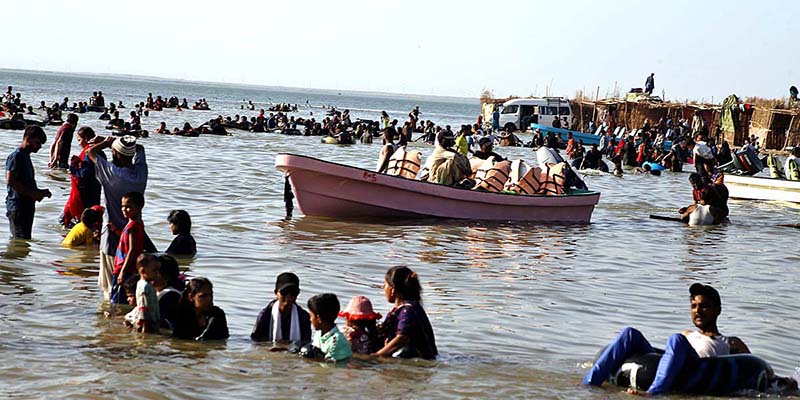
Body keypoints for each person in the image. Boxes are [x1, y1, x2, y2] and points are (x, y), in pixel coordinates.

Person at [583, 283, 750, 395]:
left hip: (696, 368)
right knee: (629, 333)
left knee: (676, 339)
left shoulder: (730, 342)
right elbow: (663, 358)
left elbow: (753, 368)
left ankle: (653, 394)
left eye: (704, 306)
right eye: (694, 306)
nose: (697, 311)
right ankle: (590, 382)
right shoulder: (687, 334)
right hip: (674, 365)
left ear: (717, 310)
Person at [87, 135, 148, 302]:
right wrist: (123, 144)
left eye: (114, 151)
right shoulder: (140, 174)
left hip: (113, 237)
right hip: (133, 236)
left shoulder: (113, 173)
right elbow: (140, 149)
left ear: (117, 155)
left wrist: (107, 142)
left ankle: (111, 321)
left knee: (110, 287)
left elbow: (90, 151)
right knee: (128, 286)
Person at [374, 266, 437, 360]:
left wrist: (376, 356)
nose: (383, 288)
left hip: (419, 360)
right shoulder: (404, 309)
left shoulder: (408, 310)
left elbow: (402, 338)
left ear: (392, 289)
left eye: (385, 284)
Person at [5, 126, 52, 239]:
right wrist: (33, 194)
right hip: (18, 207)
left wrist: (39, 192)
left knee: (23, 243)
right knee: (19, 242)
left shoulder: (25, 156)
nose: (39, 146)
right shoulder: (16, 156)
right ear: (28, 138)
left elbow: (24, 183)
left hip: (25, 206)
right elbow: (10, 180)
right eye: (37, 142)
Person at [251, 272, 312, 343]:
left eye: (293, 292)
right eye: (284, 292)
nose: (288, 297)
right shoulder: (265, 315)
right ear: (276, 293)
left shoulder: (303, 317)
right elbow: (256, 342)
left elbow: (306, 342)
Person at [62, 127, 104, 228]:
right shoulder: (100, 152)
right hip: (95, 189)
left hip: (84, 193)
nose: (79, 144)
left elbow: (85, 174)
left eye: (79, 140)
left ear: (85, 138)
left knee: (68, 220)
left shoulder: (89, 153)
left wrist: (73, 168)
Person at [111, 192, 146, 304]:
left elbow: (132, 249)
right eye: (122, 206)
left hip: (125, 268)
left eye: (128, 207)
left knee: (117, 300)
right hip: (129, 268)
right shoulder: (136, 224)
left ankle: (116, 319)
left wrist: (123, 271)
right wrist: (116, 231)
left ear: (139, 207)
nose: (124, 209)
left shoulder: (133, 227)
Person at [306, 293, 352, 362]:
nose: (310, 319)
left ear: (318, 319)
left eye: (311, 316)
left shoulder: (336, 342)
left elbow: (329, 367)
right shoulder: (318, 333)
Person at [123, 254, 161, 333]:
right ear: (143, 271)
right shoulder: (144, 287)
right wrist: (145, 331)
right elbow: (143, 309)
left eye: (158, 270)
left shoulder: (147, 285)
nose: (157, 273)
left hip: (151, 322)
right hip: (148, 324)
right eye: (154, 270)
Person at [154, 254, 183, 330]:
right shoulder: (157, 292)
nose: (152, 275)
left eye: (156, 272)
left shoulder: (171, 295)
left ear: (166, 276)